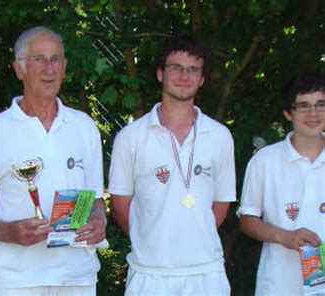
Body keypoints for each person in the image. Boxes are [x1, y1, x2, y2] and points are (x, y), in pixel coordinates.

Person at [0, 26, 107, 296]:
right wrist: (8, 232)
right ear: (19, 69)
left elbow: (96, 199)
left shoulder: (84, 127)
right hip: (15, 281)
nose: (49, 69)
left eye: (55, 59)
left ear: (64, 67)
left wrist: (99, 222)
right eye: (38, 59)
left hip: (77, 277)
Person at [108, 34, 236, 295]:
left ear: (202, 79)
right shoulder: (131, 137)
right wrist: (153, 241)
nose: (184, 76)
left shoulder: (220, 135)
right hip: (150, 273)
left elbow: (221, 204)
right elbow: (121, 207)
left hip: (206, 272)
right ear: (160, 73)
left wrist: (192, 238)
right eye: (175, 67)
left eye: (193, 70)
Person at [238, 71, 325, 295]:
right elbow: (247, 220)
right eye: (303, 106)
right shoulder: (264, 160)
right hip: (279, 285)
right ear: (288, 113)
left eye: (320, 104)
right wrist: (285, 236)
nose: (313, 113)